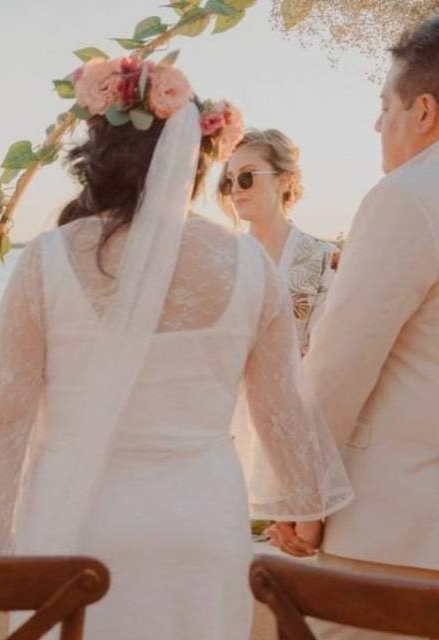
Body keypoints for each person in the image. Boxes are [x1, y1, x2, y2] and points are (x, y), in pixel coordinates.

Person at [0, 57, 353, 639]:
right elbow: (280, 411)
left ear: (95, 154)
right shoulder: (248, 264)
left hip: (76, 521)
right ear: (194, 158)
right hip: (198, 522)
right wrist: (309, 513)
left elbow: (6, 416)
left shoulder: (45, 260)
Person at [267, 16, 439, 640]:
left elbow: (342, 364)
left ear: (423, 110)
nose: (376, 124)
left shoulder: (409, 197)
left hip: (401, 543)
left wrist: (302, 502)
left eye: (384, 105)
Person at [219, 128, 338, 354]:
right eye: (229, 180)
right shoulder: (223, 258)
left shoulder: (325, 258)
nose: (234, 189)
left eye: (247, 177)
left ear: (284, 180)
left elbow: (326, 352)